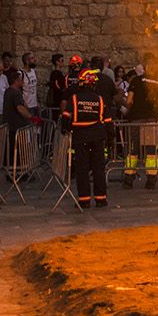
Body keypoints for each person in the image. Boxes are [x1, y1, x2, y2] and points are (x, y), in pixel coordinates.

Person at [64, 63, 110, 208]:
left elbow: (66, 116)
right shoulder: (100, 99)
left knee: (82, 169)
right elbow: (108, 120)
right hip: (97, 138)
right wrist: (110, 136)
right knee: (98, 169)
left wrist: (65, 129)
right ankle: (101, 199)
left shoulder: (75, 99)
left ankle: (84, 200)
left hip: (80, 137)